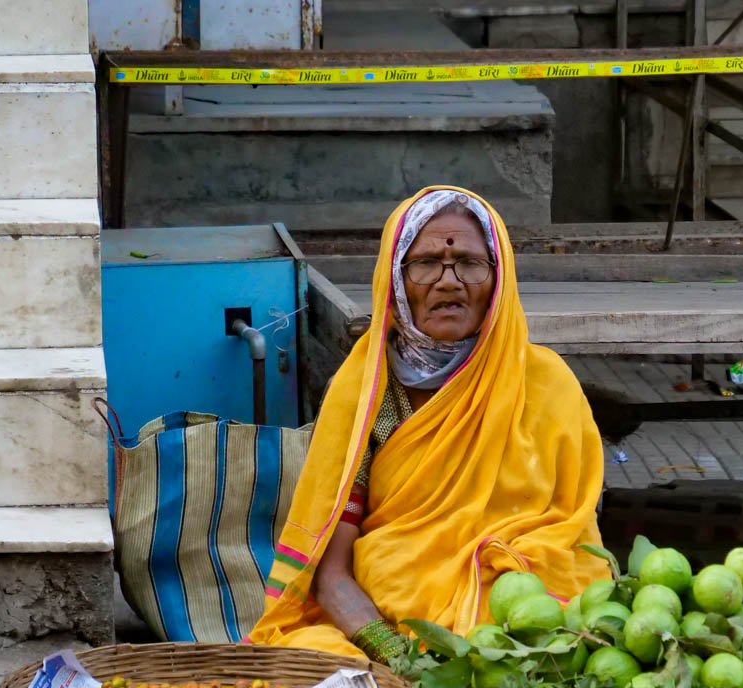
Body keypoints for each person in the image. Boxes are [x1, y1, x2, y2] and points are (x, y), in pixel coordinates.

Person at [248, 186, 609, 661]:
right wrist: (395, 654)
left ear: (499, 280)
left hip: (519, 629)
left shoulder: (546, 384)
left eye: (470, 263)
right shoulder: (365, 393)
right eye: (424, 263)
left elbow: (573, 541)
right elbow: (331, 573)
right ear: (395, 280)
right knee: (320, 667)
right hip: (389, 621)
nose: (449, 281)